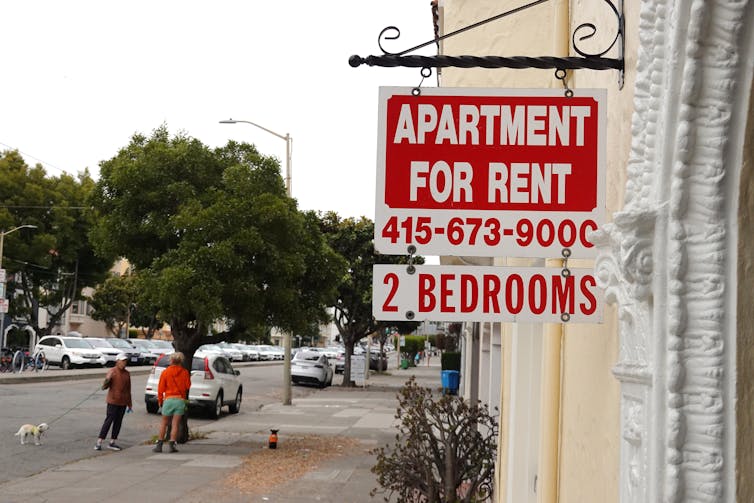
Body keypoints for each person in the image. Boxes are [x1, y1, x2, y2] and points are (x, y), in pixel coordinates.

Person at [153, 351, 191, 453]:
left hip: (169, 399)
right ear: (181, 361)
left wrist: (160, 401)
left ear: (171, 360)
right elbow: (188, 386)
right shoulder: (185, 372)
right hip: (180, 400)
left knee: (164, 423)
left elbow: (161, 388)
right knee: (175, 424)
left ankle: (159, 445)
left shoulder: (165, 372)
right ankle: (172, 445)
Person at [95, 353, 132, 451]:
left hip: (123, 402)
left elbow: (128, 389)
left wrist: (129, 403)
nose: (124, 363)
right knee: (109, 421)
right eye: (122, 361)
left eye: (125, 361)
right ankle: (99, 441)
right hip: (112, 401)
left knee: (118, 422)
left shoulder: (127, 373)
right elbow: (104, 387)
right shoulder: (112, 371)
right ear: (117, 361)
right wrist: (108, 379)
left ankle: (112, 442)